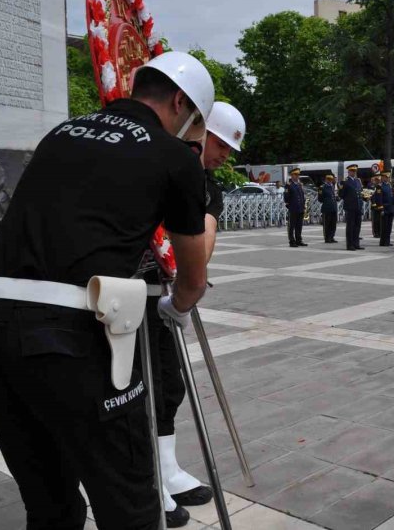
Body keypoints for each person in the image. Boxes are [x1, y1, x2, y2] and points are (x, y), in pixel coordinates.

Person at [0, 52, 215, 530]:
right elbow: (193, 276)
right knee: (131, 506)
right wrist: (175, 307)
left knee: (52, 506)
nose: (192, 135)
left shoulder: (62, 133)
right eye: (195, 123)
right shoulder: (175, 157)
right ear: (180, 103)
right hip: (72, 343)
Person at [146, 101, 244, 525]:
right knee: (139, 389)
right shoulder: (161, 163)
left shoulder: (209, 187)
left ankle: (166, 469)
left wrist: (187, 286)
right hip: (130, 290)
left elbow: (200, 251)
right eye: (220, 144)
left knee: (168, 385)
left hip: (166, 290)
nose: (224, 156)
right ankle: (147, 477)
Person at [339, 164, 363, 250]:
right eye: (352, 171)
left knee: (357, 226)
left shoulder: (358, 181)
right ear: (348, 172)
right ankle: (349, 245)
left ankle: (356, 243)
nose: (353, 172)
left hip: (358, 206)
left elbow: (360, 192)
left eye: (355, 171)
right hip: (350, 207)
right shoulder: (345, 181)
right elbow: (341, 194)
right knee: (350, 226)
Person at [284, 168, 306, 247]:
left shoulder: (300, 185)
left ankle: (298, 240)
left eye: (298, 175)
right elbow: (286, 197)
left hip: (300, 208)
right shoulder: (289, 185)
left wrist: (303, 206)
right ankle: (292, 241)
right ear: (292, 175)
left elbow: (302, 196)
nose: (297, 176)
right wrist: (289, 206)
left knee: (299, 226)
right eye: (295, 175)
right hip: (293, 208)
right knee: (291, 226)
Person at [320, 174, 338, 243]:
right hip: (327, 208)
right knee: (327, 224)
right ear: (326, 179)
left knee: (333, 224)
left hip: (333, 208)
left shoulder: (332, 186)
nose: (330, 181)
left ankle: (332, 237)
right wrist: (327, 201)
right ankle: (327, 238)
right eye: (329, 179)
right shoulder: (323, 187)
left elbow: (333, 196)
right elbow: (320, 198)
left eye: (331, 179)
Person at [379, 171, 394, 247]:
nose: (388, 179)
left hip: (390, 208)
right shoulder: (380, 186)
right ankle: (383, 241)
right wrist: (381, 209)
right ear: (383, 177)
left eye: (388, 177)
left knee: (389, 226)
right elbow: (379, 199)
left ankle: (387, 241)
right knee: (384, 227)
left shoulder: (390, 186)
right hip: (385, 208)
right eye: (386, 177)